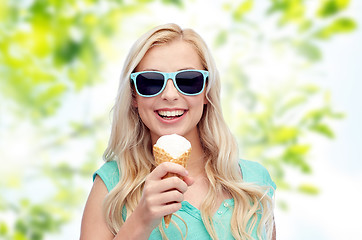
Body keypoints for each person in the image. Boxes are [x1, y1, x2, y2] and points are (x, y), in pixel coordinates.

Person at [80, 23, 276, 240]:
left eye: (188, 81)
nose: (170, 95)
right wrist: (141, 221)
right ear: (134, 96)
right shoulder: (111, 186)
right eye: (151, 82)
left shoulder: (254, 182)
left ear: (206, 92)